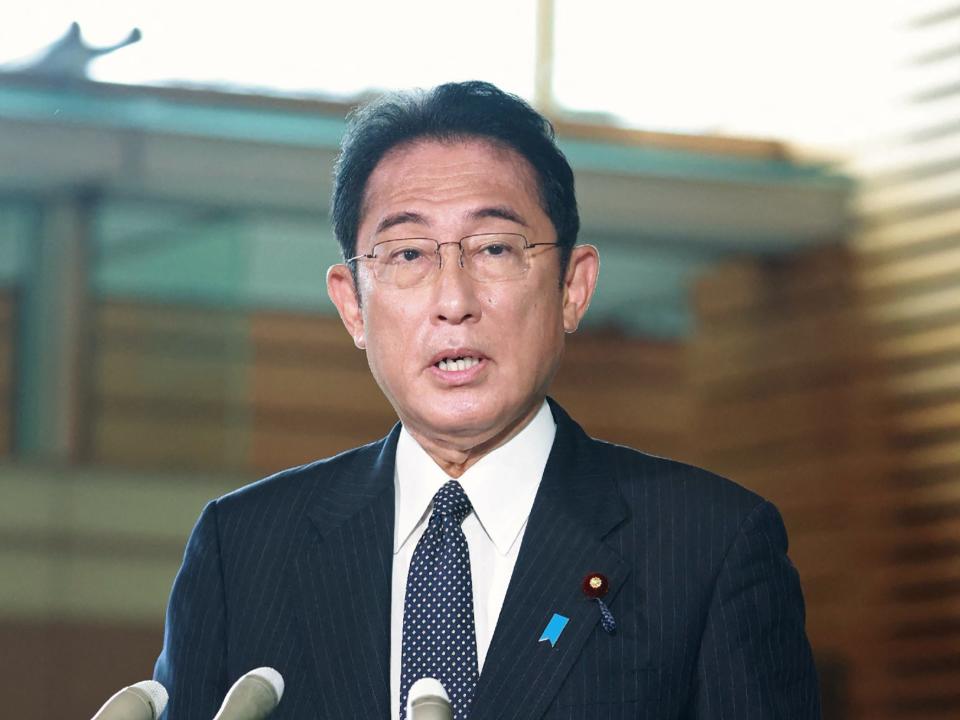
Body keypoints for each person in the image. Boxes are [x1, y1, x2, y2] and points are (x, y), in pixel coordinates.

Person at [155, 81, 821, 719]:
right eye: (408, 253)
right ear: (351, 304)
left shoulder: (709, 546)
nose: (453, 302)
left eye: (496, 247)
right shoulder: (242, 551)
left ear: (572, 287)